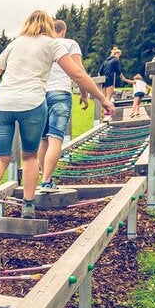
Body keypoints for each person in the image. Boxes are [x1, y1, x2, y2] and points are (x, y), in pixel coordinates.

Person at [0, 10, 114, 220]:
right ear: (48, 26)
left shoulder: (14, 44)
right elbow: (77, 73)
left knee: (0, 158)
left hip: (2, 105)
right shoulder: (53, 43)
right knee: (29, 156)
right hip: (32, 105)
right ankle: (28, 206)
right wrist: (102, 99)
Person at [39, 19, 90, 194]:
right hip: (60, 92)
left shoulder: (44, 45)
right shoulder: (70, 43)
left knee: (43, 139)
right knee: (55, 138)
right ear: (63, 31)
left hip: (42, 94)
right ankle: (46, 181)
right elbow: (79, 71)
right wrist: (84, 94)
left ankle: (44, 177)